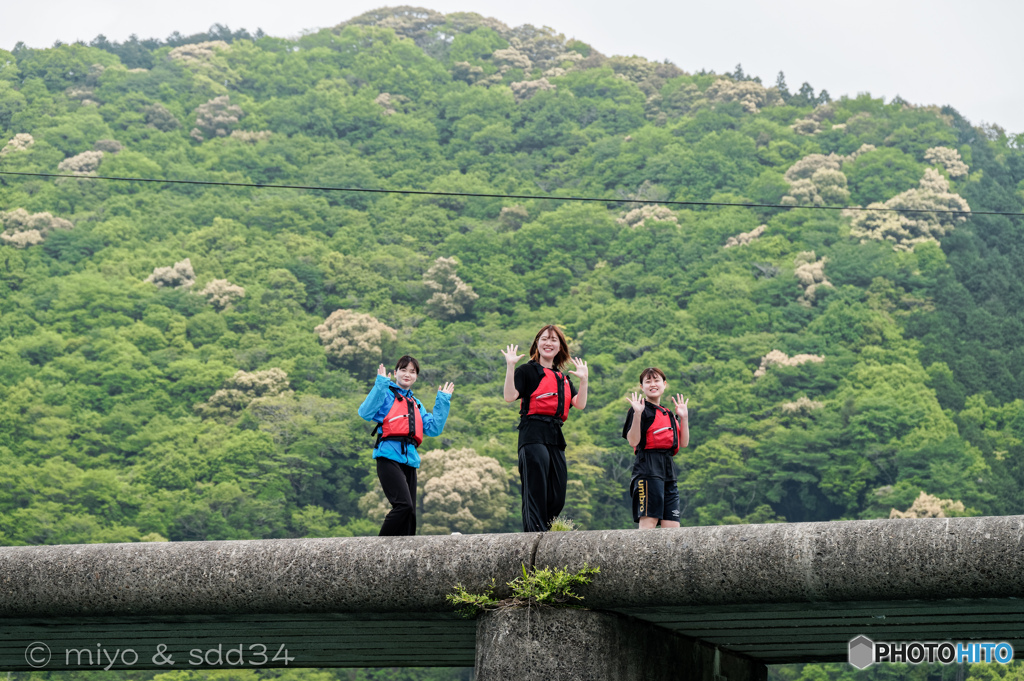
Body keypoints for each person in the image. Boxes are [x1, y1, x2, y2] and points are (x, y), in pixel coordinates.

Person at [501, 325, 588, 532]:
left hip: (555, 436)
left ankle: (546, 531)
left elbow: (580, 403)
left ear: (560, 347)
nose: (548, 343)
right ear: (537, 344)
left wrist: (584, 380)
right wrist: (511, 366)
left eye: (554, 340)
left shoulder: (563, 378)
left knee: (558, 493)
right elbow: (509, 396)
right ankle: (535, 536)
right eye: (544, 339)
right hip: (532, 434)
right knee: (536, 488)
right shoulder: (527, 371)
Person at [358, 355, 454, 536]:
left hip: (409, 460)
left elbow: (433, 429)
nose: (407, 374)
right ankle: (376, 551)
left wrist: (443, 401)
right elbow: (365, 412)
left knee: (410, 515)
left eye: (412, 371)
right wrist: (380, 384)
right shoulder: (386, 395)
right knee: (403, 505)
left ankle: (404, 558)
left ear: (416, 376)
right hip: (388, 457)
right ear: (395, 373)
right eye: (403, 370)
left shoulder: (416, 404)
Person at [622, 367, 689, 529]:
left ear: (664, 384)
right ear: (642, 387)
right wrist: (637, 414)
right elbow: (633, 441)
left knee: (672, 526)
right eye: (648, 381)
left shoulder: (668, 413)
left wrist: (684, 418)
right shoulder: (639, 409)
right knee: (649, 521)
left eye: (656, 380)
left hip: (668, 470)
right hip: (647, 470)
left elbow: (684, 443)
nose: (653, 384)